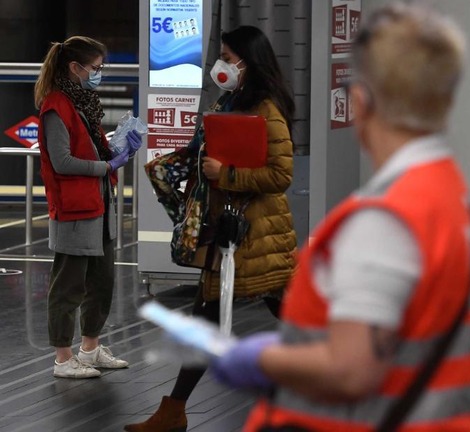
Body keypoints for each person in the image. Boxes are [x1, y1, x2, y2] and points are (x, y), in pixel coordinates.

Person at [211, 4, 470, 431]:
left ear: (359, 102)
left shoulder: (383, 220)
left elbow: (350, 370)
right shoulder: (453, 198)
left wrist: (261, 359)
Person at [125, 26, 297, 432]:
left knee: (273, 314)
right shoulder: (232, 100)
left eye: (226, 55)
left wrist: (227, 173)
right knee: (218, 315)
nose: (221, 64)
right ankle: (173, 410)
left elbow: (281, 174)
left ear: (247, 61)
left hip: (255, 233)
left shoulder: (266, 108)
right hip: (232, 232)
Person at [34, 36, 141, 378]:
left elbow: (90, 149)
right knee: (68, 286)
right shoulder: (56, 106)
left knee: (102, 280)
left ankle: (90, 349)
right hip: (75, 210)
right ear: (75, 67)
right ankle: (63, 358)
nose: (99, 74)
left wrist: (118, 148)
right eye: (95, 68)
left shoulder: (83, 103)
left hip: (99, 206)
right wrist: (108, 167)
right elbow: (63, 161)